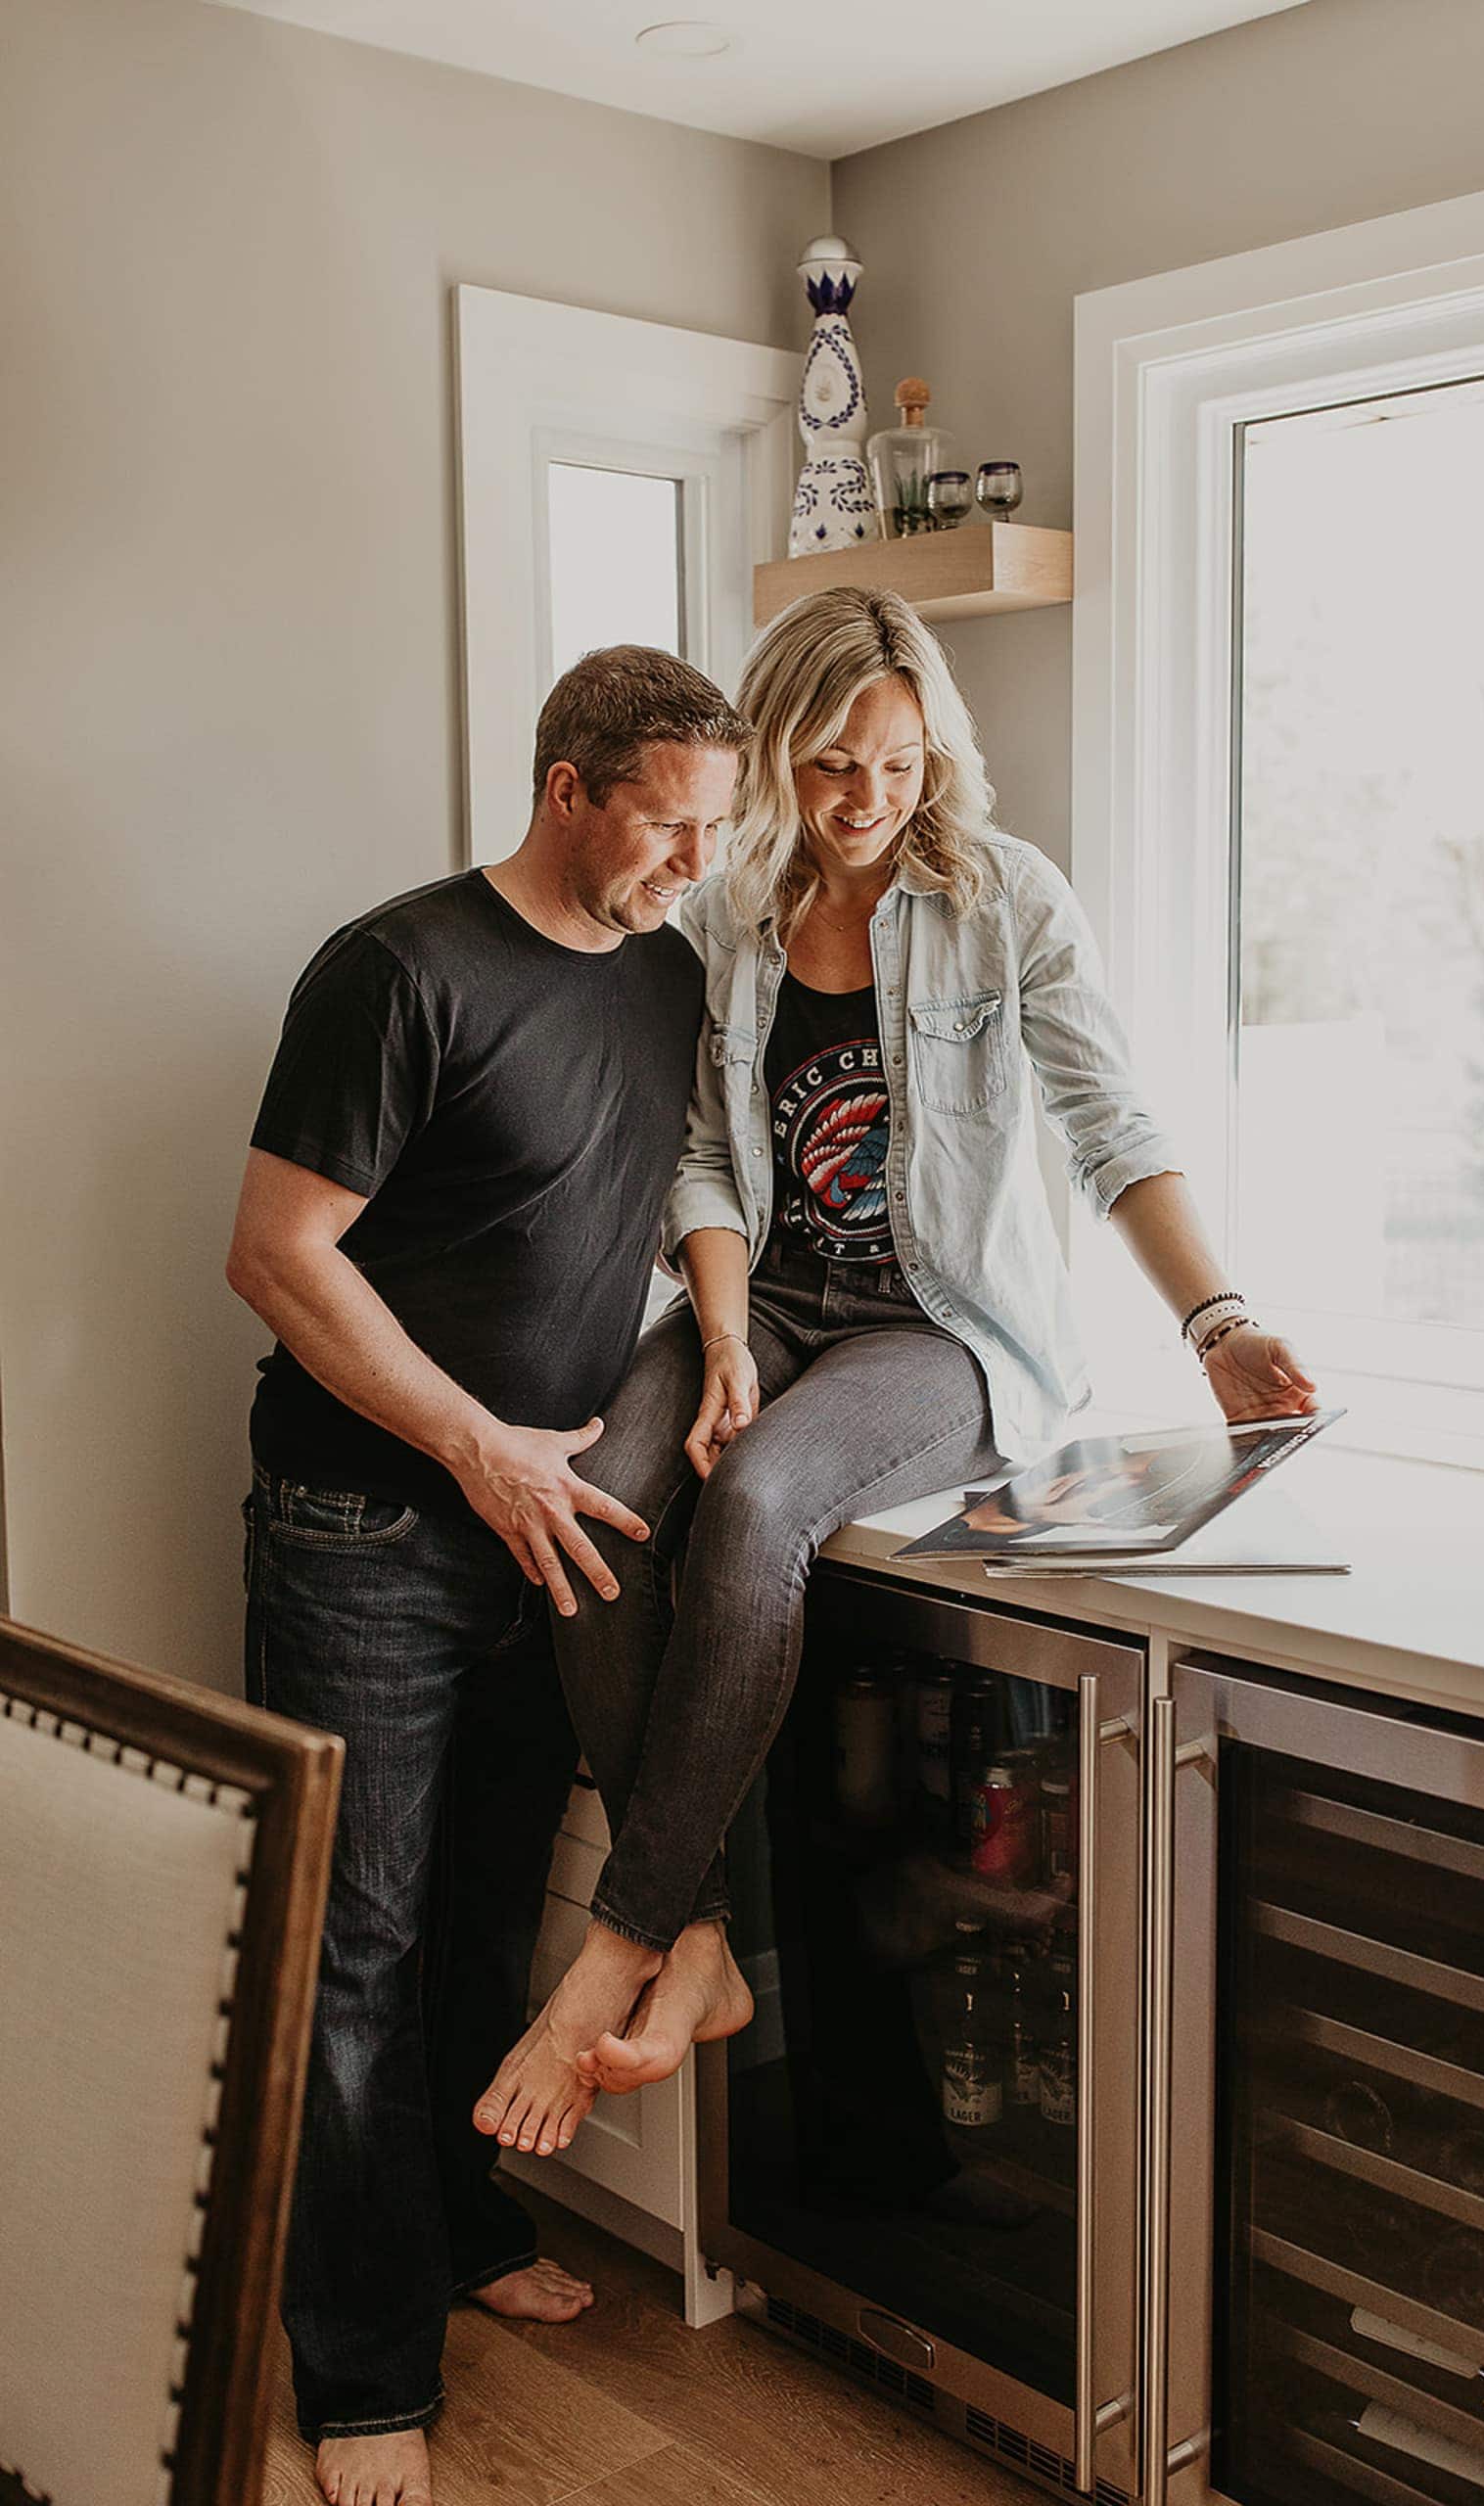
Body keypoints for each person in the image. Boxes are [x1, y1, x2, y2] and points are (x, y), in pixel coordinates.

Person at [473, 585, 1316, 2161]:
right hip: (768, 1304)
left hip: (943, 1331)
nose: (867, 804)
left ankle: (621, 1939)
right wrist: (721, 1339)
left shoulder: (1007, 902)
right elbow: (706, 1159)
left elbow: (1113, 1133)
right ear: (777, 749)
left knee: (762, 1501)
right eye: (833, 766)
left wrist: (1216, 1325)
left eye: (903, 767)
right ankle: (704, 1939)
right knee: (589, 1495)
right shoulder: (725, 916)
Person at [226, 646, 749, 2506]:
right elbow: (279, 1254)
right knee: (350, 1947)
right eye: (668, 824)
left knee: (478, 1913)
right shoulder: (396, 970)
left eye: (714, 828)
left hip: (557, 1529)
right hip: (369, 1526)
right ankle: (361, 2376)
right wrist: (472, 1442)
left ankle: (449, 2233)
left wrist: (708, 1356)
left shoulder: (672, 975)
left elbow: (688, 1191)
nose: (696, 858)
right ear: (566, 790)